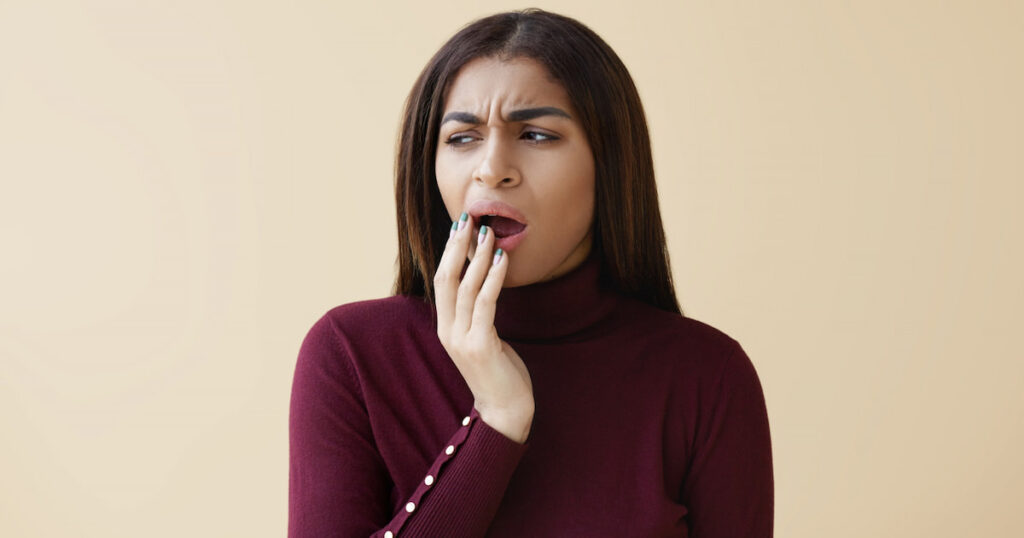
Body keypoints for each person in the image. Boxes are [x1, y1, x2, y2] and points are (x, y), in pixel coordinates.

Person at [288, 8, 773, 537]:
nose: (492, 168)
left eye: (537, 135)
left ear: (610, 164)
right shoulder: (351, 354)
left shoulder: (707, 376)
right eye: (462, 137)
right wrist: (497, 419)